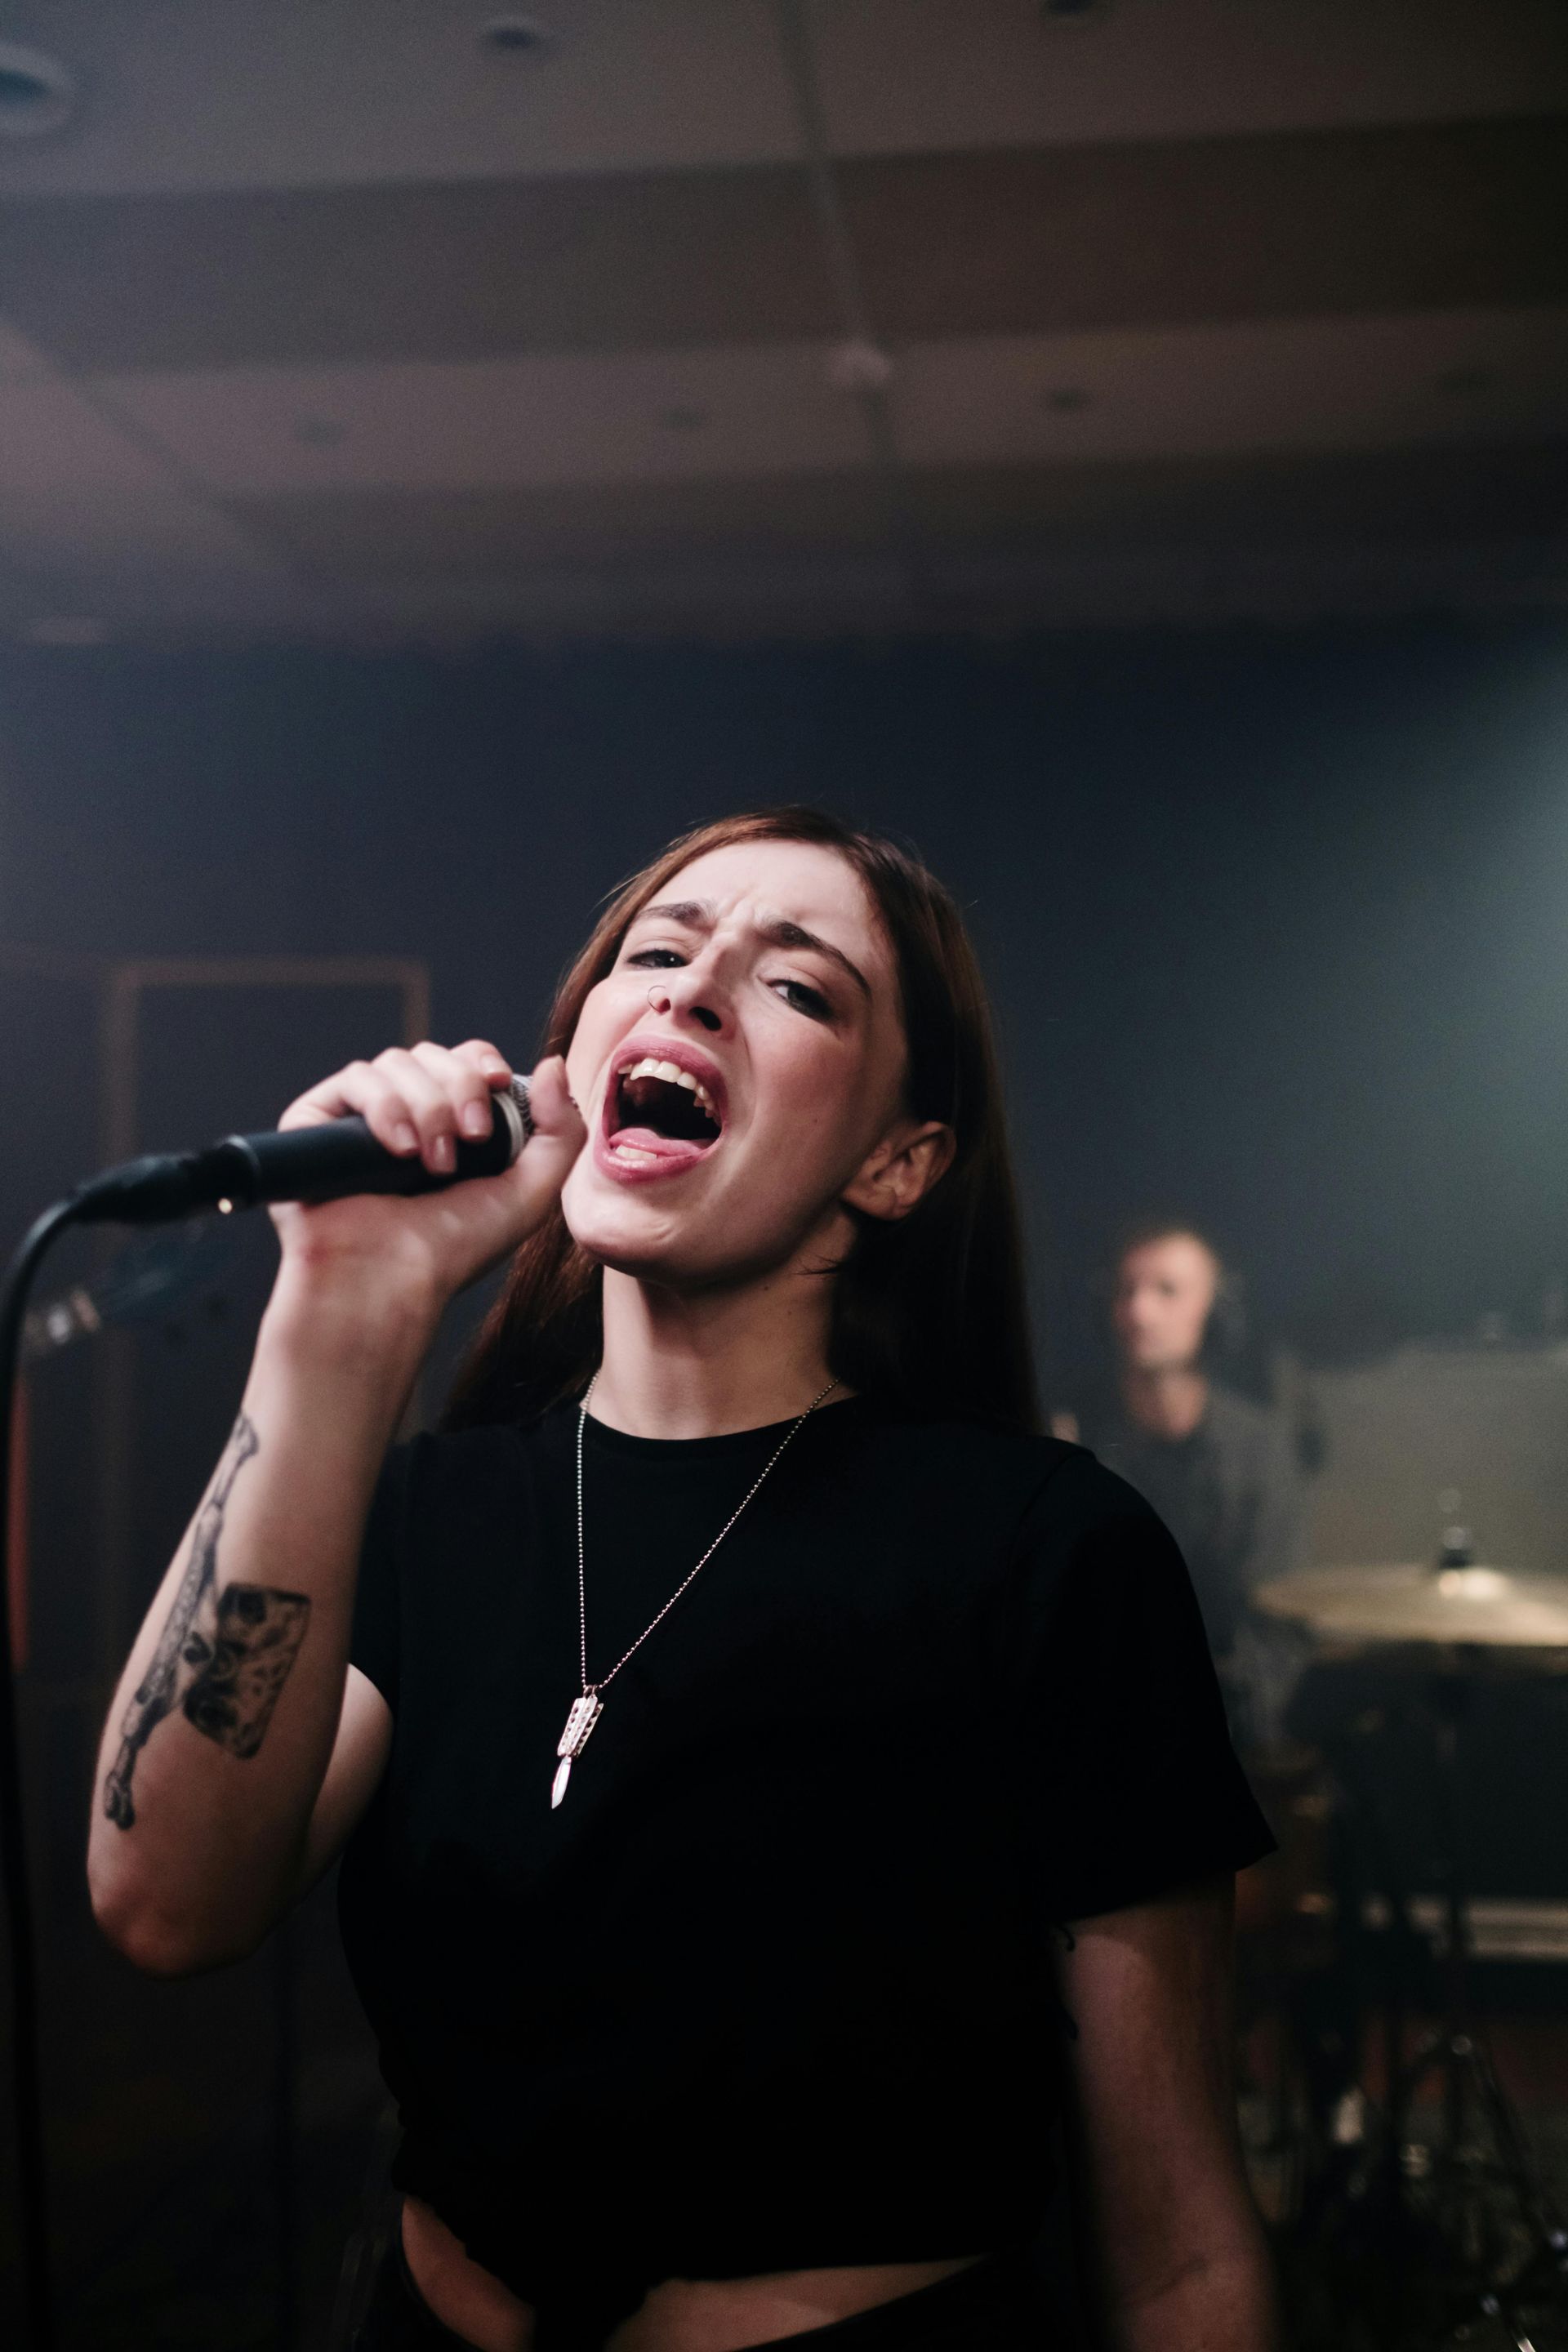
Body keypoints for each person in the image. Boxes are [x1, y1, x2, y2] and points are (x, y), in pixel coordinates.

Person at [87, 808, 1279, 2352]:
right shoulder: (427, 1515)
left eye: (798, 986)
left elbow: (1182, 2253)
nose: (695, 986)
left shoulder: (1047, 1554)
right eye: (658, 949)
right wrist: (343, 1304)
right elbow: (168, 1898)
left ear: (900, 1164)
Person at [1069, 1223, 1308, 1743]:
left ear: (1217, 1314)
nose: (1139, 1312)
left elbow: (1278, 1623)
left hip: (1221, 1736)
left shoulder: (1260, 1451)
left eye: (1167, 1291)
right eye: (1126, 1291)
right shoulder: (1072, 1438)